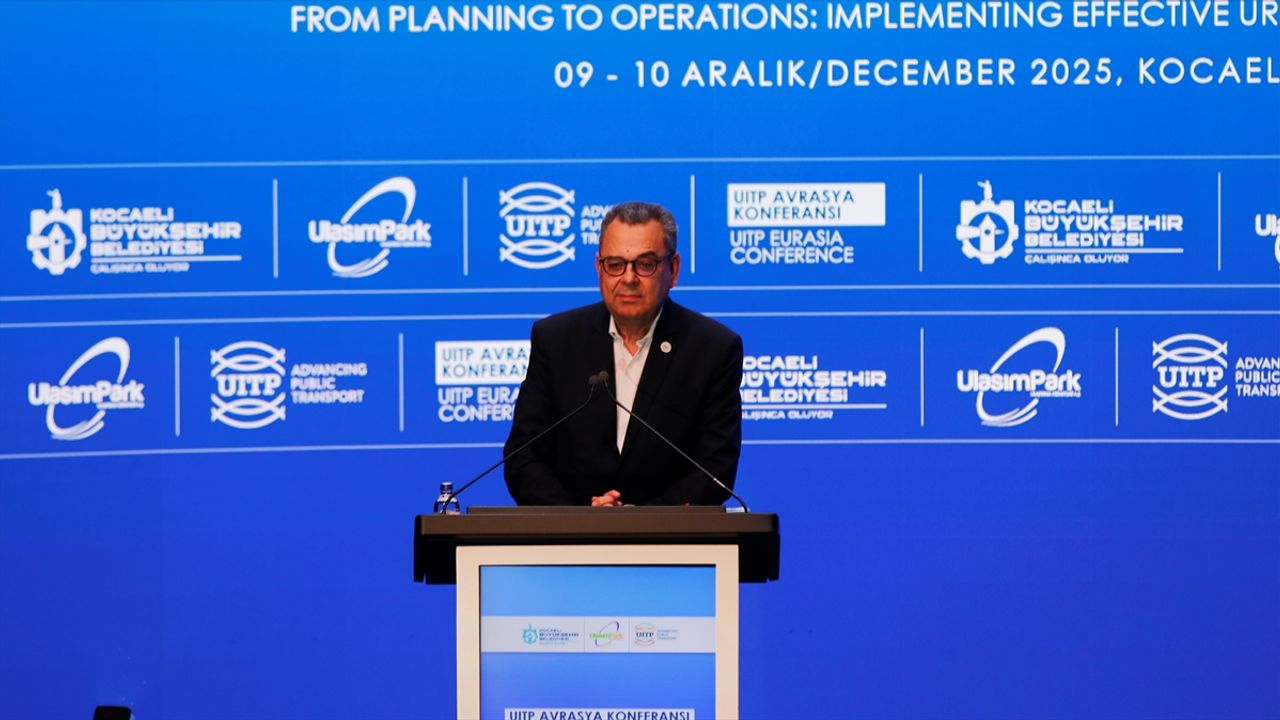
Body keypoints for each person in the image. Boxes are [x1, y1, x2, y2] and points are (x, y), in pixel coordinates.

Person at [503, 201, 743, 506]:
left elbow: (714, 469)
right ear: (599, 268)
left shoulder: (712, 349)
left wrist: (638, 521)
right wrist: (580, 519)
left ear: (673, 269)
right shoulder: (555, 340)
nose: (628, 278)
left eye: (645, 264)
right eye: (615, 264)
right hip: (569, 532)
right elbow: (523, 457)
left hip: (671, 535)